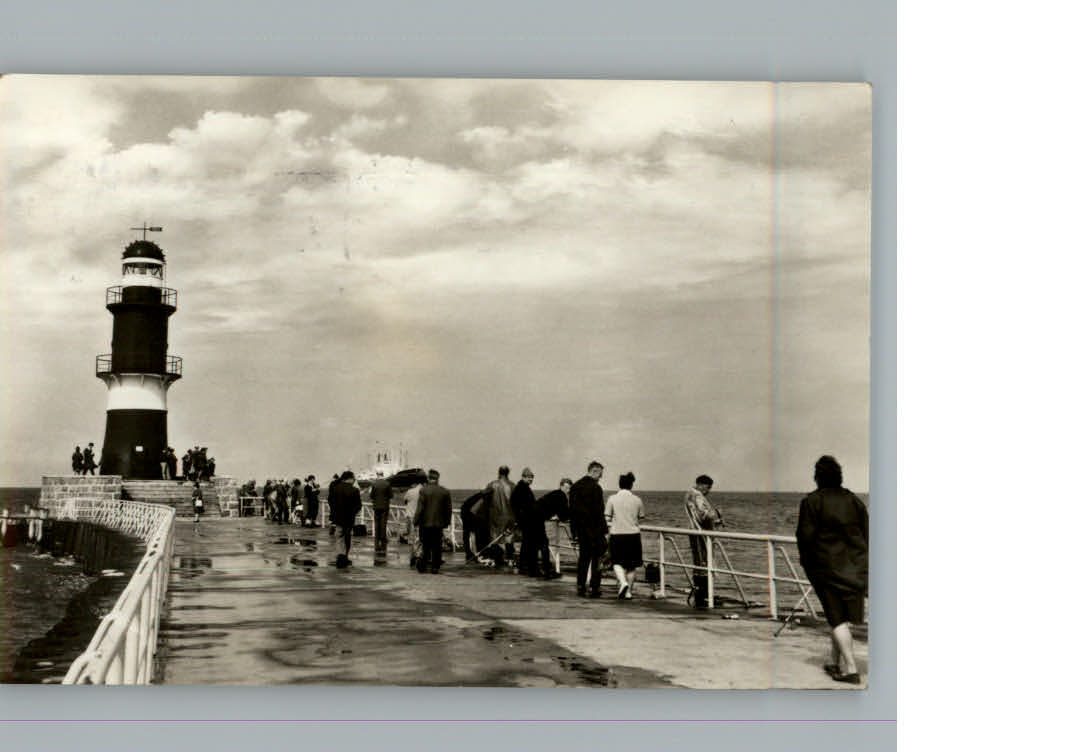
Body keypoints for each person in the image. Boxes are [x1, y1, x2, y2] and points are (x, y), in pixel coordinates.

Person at [795, 455, 869, 685]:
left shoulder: (812, 502)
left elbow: (805, 538)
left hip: (827, 569)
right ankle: (834, 662)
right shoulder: (854, 501)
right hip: (855, 567)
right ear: (839, 475)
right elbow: (868, 535)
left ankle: (851, 669)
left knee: (836, 618)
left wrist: (808, 565)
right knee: (841, 618)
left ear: (817, 477)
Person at [684, 473, 723, 607]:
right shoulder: (698, 496)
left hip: (694, 531)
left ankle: (701, 593)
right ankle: (704, 596)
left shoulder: (689, 494)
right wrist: (717, 513)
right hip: (701, 533)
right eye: (708, 488)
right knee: (704, 563)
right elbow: (702, 515)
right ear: (702, 485)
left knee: (699, 563)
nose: (709, 491)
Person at [569, 460, 607, 598]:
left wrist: (573, 531)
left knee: (583, 559)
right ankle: (594, 587)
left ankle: (580, 586)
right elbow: (599, 512)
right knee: (597, 558)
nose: (600, 477)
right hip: (595, 529)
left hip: (581, 529)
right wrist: (605, 531)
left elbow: (572, 512)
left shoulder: (575, 487)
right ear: (594, 471)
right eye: (600, 474)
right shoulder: (596, 488)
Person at [605, 471, 645, 600]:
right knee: (632, 566)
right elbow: (641, 516)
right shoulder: (637, 499)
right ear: (631, 485)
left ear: (619, 484)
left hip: (617, 534)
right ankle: (629, 593)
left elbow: (607, 517)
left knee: (616, 562)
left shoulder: (612, 498)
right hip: (633, 535)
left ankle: (623, 583)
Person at [413, 469, 452, 574]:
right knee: (437, 545)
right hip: (438, 524)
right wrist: (447, 522)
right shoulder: (444, 492)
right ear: (437, 479)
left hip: (425, 523)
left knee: (425, 545)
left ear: (428, 478)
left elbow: (420, 508)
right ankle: (435, 567)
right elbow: (448, 509)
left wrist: (415, 520)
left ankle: (424, 565)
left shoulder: (424, 491)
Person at [532, 478, 571, 579]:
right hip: (537, 518)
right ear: (561, 486)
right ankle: (546, 569)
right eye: (566, 487)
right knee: (543, 543)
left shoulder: (555, 493)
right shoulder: (562, 496)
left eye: (569, 488)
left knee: (537, 544)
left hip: (534, 516)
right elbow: (564, 515)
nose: (568, 490)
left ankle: (538, 568)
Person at [483, 465, 516, 565]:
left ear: (499, 472)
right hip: (510, 515)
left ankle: (494, 558)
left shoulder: (492, 485)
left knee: (494, 537)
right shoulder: (512, 485)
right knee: (509, 537)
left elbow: (485, 497)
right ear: (508, 473)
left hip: (496, 515)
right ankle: (510, 558)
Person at [329, 470, 362, 568]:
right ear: (350, 479)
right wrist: (353, 512)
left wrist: (334, 512)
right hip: (349, 518)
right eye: (353, 478)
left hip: (338, 517)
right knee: (347, 536)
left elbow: (330, 501)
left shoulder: (335, 488)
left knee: (339, 536)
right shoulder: (355, 490)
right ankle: (345, 556)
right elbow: (358, 505)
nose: (354, 480)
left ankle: (340, 554)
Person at [510, 467, 539, 576]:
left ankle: (524, 565)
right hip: (526, 520)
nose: (530, 479)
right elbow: (518, 505)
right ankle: (525, 566)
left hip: (524, 520)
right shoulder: (522, 489)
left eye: (532, 477)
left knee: (526, 543)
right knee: (528, 543)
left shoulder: (521, 488)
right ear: (523, 477)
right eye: (528, 477)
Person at [402, 474, 427, 568]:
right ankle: (420, 555)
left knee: (412, 538)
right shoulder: (424, 491)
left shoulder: (410, 491)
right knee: (421, 538)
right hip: (422, 517)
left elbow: (405, 500)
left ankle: (413, 557)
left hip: (411, 516)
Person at [369, 471, 394, 562]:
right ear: (383, 475)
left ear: (377, 475)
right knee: (383, 524)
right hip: (385, 507)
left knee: (377, 524)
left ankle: (376, 543)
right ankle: (383, 543)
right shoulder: (387, 484)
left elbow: (371, 496)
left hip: (376, 507)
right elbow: (391, 495)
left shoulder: (374, 484)